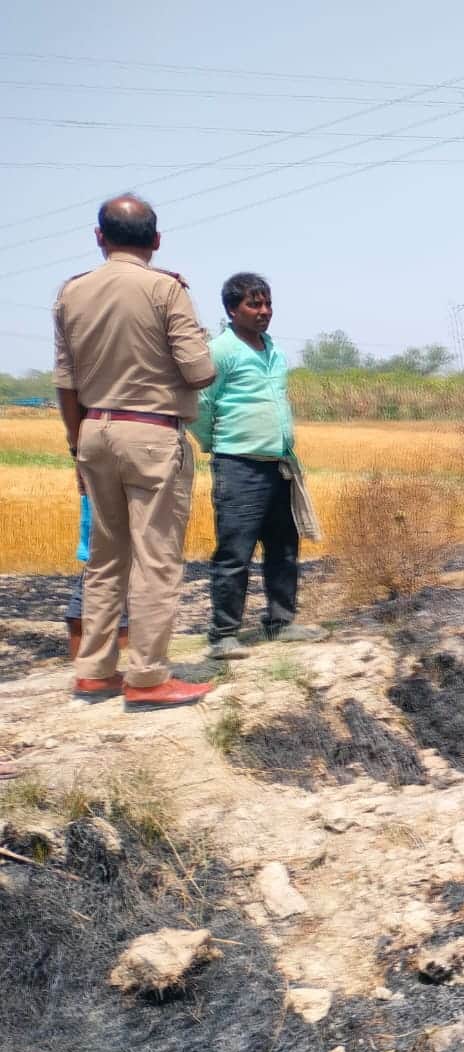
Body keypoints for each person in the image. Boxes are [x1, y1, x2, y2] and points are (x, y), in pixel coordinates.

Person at [54, 194, 216, 709]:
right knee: (156, 558)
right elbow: (200, 371)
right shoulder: (166, 289)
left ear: (100, 237)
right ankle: (147, 678)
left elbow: (65, 381)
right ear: (157, 240)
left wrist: (76, 443)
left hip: (92, 432)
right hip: (149, 433)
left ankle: (95, 672)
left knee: (105, 558)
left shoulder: (71, 293)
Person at [191, 273, 324, 659]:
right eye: (254, 304)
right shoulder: (221, 351)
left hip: (278, 464)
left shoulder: (274, 351)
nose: (264, 311)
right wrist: (215, 444)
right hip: (238, 467)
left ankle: (281, 622)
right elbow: (200, 405)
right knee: (235, 551)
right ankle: (223, 635)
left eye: (267, 303)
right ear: (232, 310)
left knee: (283, 547)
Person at [66, 493, 129, 660]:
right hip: (94, 552)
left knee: (121, 623)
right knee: (76, 619)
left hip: (120, 553)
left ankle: (124, 675)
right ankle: (82, 676)